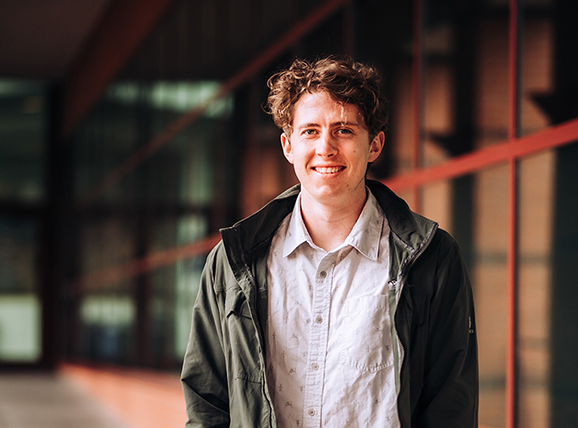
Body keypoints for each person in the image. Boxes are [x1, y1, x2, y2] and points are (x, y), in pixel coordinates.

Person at [181, 55, 478, 428]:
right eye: (310, 131)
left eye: (344, 130)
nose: (326, 147)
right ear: (288, 146)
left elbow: (451, 407)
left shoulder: (432, 259)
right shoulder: (233, 261)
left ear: (374, 146)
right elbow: (207, 400)